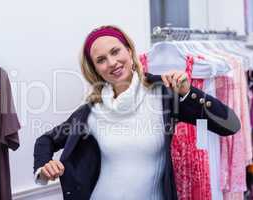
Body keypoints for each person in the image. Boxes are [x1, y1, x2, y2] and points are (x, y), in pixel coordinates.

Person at [33, 25, 240, 200]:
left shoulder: (163, 94)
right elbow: (46, 140)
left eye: (115, 52)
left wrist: (188, 93)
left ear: (129, 51)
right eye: (101, 60)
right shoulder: (92, 111)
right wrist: (44, 167)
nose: (112, 63)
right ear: (95, 69)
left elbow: (229, 124)